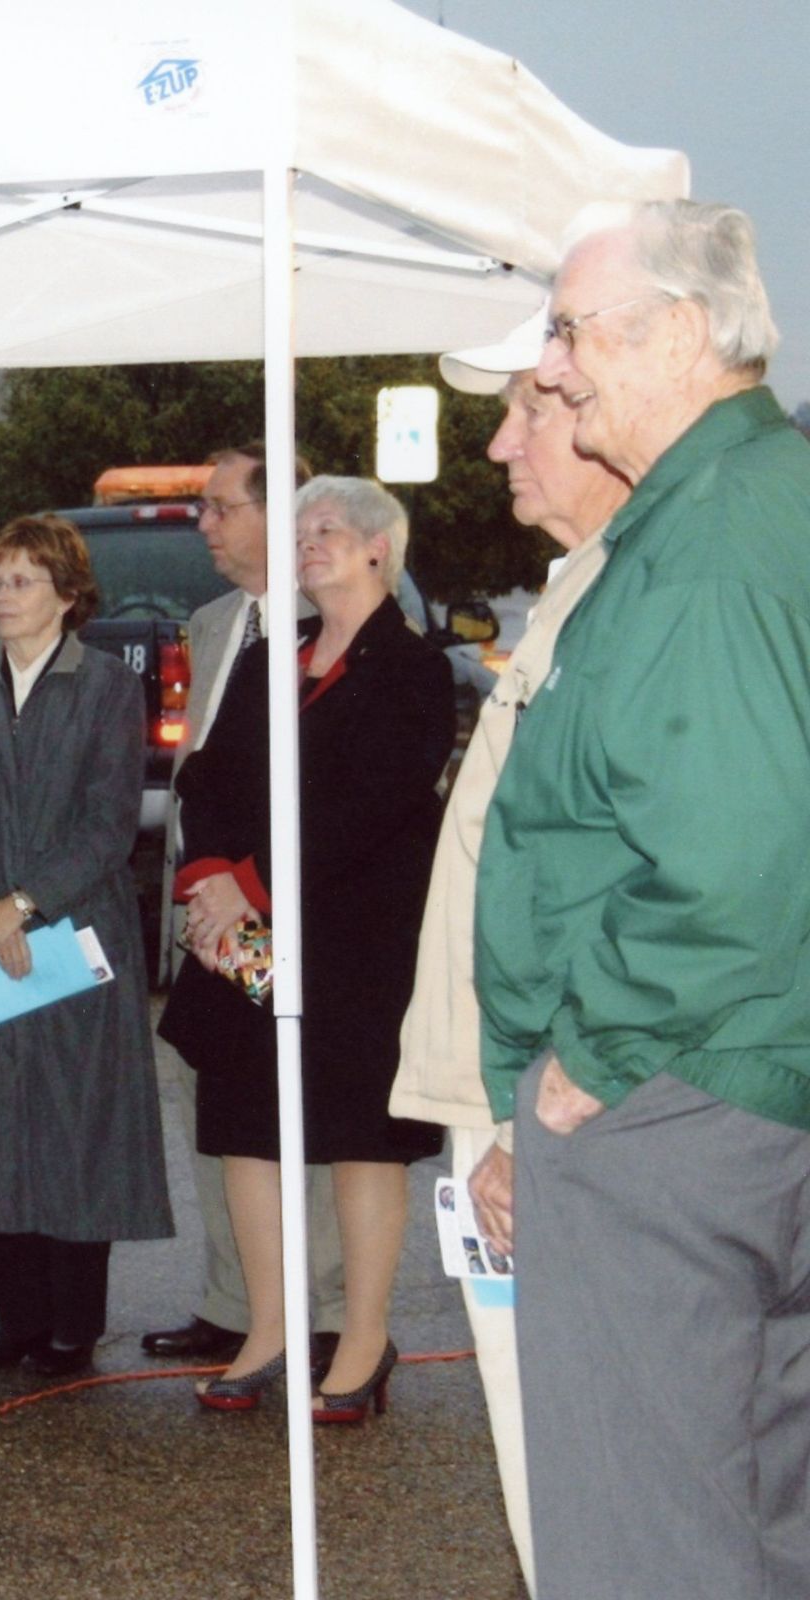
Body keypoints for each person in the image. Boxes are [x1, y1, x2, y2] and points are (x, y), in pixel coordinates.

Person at [474, 199, 810, 1598]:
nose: (553, 372)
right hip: (738, 1080)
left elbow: (736, 854)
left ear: (678, 334)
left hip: (671, 1098)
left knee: (644, 1539)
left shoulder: (710, 540)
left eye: (570, 332)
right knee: (754, 1513)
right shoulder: (745, 503)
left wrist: (585, 1064)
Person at [388, 310, 628, 1593]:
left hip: (553, 1103)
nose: (497, 445)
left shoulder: (628, 604)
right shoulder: (578, 592)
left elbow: (624, 883)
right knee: (558, 1456)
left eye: (532, 410)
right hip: (513, 1090)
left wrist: (534, 1119)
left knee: (594, 1464)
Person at [159, 476, 451, 1418]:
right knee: (248, 1122)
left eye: (328, 528)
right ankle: (270, 1329)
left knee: (361, 1135)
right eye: (300, 531)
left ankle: (362, 1342)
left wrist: (247, 883)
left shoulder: (413, 669)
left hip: (356, 942)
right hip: (248, 935)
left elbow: (373, 806)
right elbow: (207, 778)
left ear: (378, 548)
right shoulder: (268, 659)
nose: (308, 542)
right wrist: (210, 879)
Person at [0, 515, 171, 1374]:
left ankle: (73, 1328)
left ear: (67, 593)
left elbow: (108, 824)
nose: (1, 595)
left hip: (74, 937)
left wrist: (22, 906)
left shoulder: (105, 687)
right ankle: (15, 1323)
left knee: (74, 1126)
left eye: (21, 580)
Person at [142, 443, 346, 1369]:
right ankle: (236, 1303)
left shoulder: (334, 617)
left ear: (280, 513)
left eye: (222, 506)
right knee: (216, 1094)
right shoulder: (214, 621)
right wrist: (200, 895)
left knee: (307, 1104)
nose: (205, 524)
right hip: (211, 915)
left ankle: (327, 1314)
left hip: (294, 911)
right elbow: (202, 773)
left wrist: (248, 887)